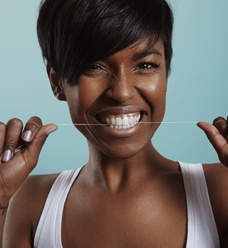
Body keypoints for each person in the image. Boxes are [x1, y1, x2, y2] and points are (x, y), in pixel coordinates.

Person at [0, 0, 228, 247]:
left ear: (165, 74)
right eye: (94, 67)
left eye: (146, 65)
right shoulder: (29, 201)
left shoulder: (221, 189)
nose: (121, 92)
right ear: (57, 82)